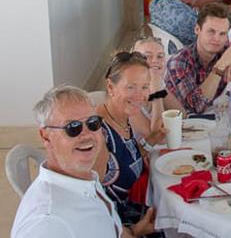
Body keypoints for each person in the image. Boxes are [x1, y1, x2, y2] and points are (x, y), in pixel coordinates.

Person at [12, 86, 155, 238]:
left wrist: (134, 232)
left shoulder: (85, 178)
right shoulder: (47, 223)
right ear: (46, 136)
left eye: (93, 123)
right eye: (72, 127)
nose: (87, 135)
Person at [94, 52, 166, 224]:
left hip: (126, 210)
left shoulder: (123, 117)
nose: (140, 96)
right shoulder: (98, 133)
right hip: (110, 223)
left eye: (145, 87)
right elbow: (90, 197)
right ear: (110, 87)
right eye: (131, 87)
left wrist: (150, 142)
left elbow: (124, 158)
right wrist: (131, 233)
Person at [165, 3, 231, 114]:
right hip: (187, 125)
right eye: (211, 31)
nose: (216, 39)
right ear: (197, 29)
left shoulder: (227, 53)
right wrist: (220, 66)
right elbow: (196, 107)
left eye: (222, 33)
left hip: (220, 121)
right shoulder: (179, 62)